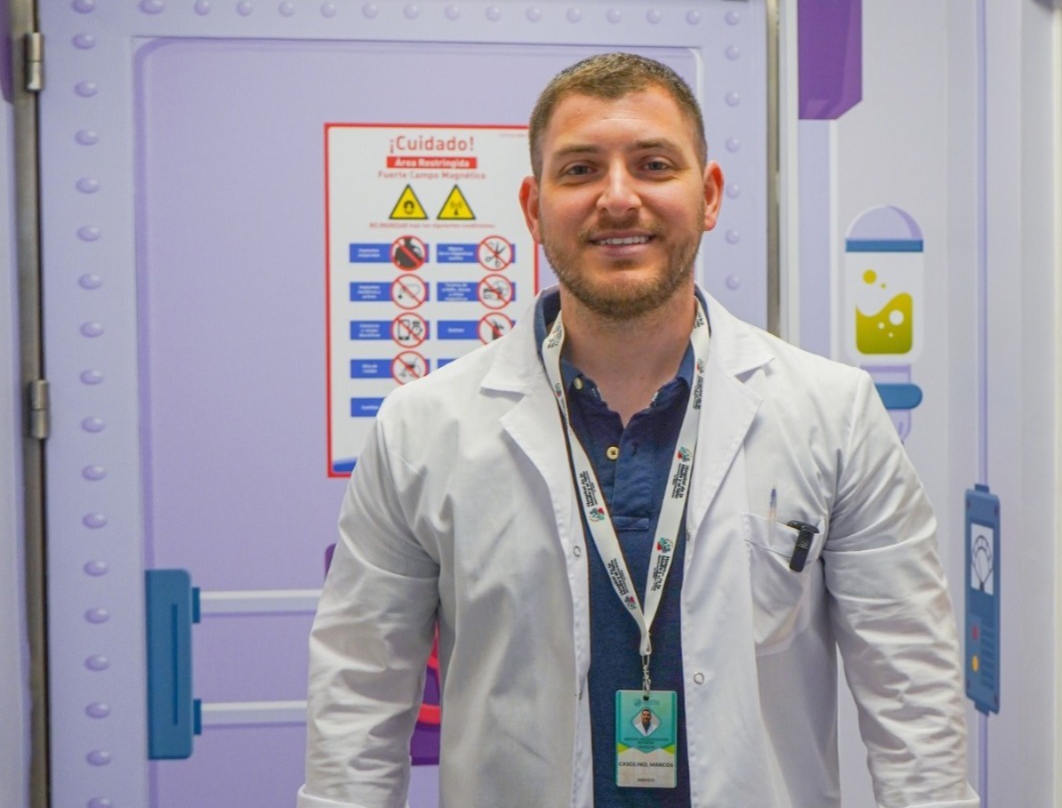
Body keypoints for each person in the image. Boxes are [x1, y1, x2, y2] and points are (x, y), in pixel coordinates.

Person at [300, 52, 977, 808]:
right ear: (533, 206)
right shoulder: (423, 428)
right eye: (580, 170)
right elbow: (359, 693)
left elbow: (910, 684)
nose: (618, 198)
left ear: (708, 194)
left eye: (653, 165)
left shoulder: (833, 412)